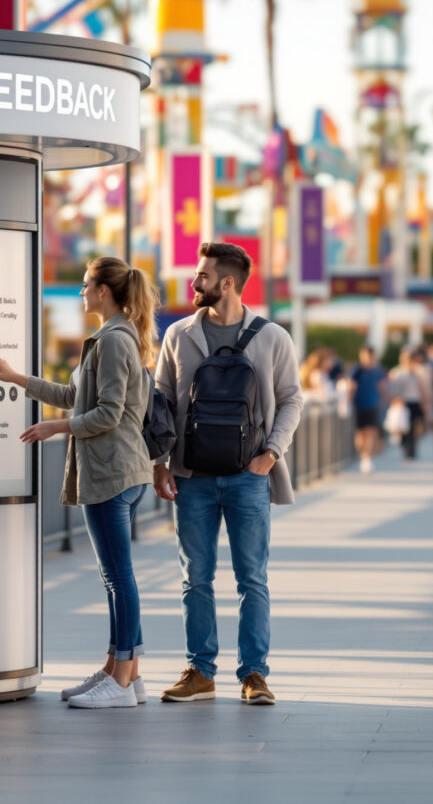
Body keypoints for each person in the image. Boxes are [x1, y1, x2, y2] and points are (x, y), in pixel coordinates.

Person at [0, 256, 156, 709]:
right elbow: (75, 397)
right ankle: (124, 674)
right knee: (117, 577)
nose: (81, 292)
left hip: (112, 473)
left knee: (119, 578)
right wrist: (17, 378)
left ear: (104, 291)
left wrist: (53, 429)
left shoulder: (115, 340)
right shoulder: (111, 338)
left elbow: (109, 413)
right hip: (119, 471)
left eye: (85, 286)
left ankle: (120, 680)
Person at [152, 242, 303, 705]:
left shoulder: (272, 336)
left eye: (201, 275)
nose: (193, 282)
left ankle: (254, 674)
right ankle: (201, 670)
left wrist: (271, 454)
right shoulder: (178, 334)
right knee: (195, 577)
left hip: (248, 475)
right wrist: (159, 463)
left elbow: (293, 399)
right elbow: (161, 400)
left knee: (251, 578)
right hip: (191, 475)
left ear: (227, 282)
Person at [349, 347, 388, 473]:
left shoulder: (378, 371)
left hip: (373, 405)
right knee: (360, 433)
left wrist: (384, 399)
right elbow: (351, 387)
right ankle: (363, 457)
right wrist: (349, 402)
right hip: (359, 405)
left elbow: (382, 387)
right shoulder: (357, 370)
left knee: (371, 432)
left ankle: (367, 459)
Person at [389, 349, 432, 460]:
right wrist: (394, 401)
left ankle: (411, 450)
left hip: (415, 402)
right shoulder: (397, 372)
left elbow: (423, 388)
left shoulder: (418, 372)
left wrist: (425, 402)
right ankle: (404, 446)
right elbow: (392, 389)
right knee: (403, 427)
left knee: (414, 427)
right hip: (402, 403)